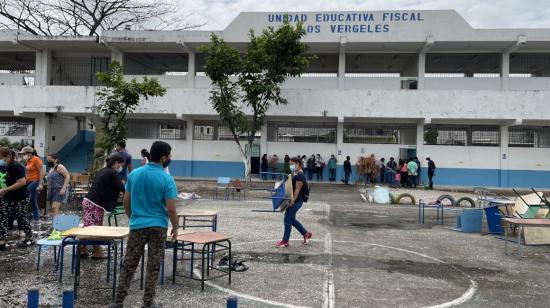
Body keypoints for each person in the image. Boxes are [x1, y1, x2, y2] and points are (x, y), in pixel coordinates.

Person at [114, 141, 178, 308]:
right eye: (169, 155)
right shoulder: (167, 178)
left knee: (129, 264)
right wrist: (176, 228)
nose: (170, 158)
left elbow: (126, 201)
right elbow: (171, 209)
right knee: (153, 266)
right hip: (159, 227)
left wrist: (133, 218)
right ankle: (148, 303)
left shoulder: (134, 174)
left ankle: (118, 302)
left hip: (137, 225)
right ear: (164, 157)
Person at [80, 153, 125, 258]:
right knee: (94, 228)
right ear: (115, 162)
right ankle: (97, 252)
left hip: (89, 201)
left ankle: (82, 249)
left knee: (88, 227)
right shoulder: (112, 173)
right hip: (94, 204)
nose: (120, 167)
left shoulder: (103, 170)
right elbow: (122, 187)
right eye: (120, 164)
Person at [0, 148, 33, 250]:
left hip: (20, 197)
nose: (1, 160)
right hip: (7, 197)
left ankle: (29, 237)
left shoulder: (16, 166)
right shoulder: (4, 167)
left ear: (8, 156)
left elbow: (22, 182)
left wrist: (6, 189)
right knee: (2, 217)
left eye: (1, 158)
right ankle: (1, 241)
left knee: (21, 217)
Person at [275, 157, 312, 248]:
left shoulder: (300, 175)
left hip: (296, 201)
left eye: (292, 164)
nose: (291, 166)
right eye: (290, 164)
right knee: (292, 220)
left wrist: (292, 201)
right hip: (295, 200)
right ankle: (306, 233)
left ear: (298, 164)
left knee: (287, 219)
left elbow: (297, 189)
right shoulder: (296, 173)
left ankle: (285, 241)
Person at [19, 146, 44, 222]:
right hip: (29, 181)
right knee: (33, 199)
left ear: (29, 153)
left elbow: (41, 171)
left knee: (27, 195)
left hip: (35, 181)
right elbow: (27, 172)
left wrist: (40, 184)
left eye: (24, 153)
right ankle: (35, 217)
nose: (23, 155)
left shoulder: (36, 159)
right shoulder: (28, 161)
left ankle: (35, 217)